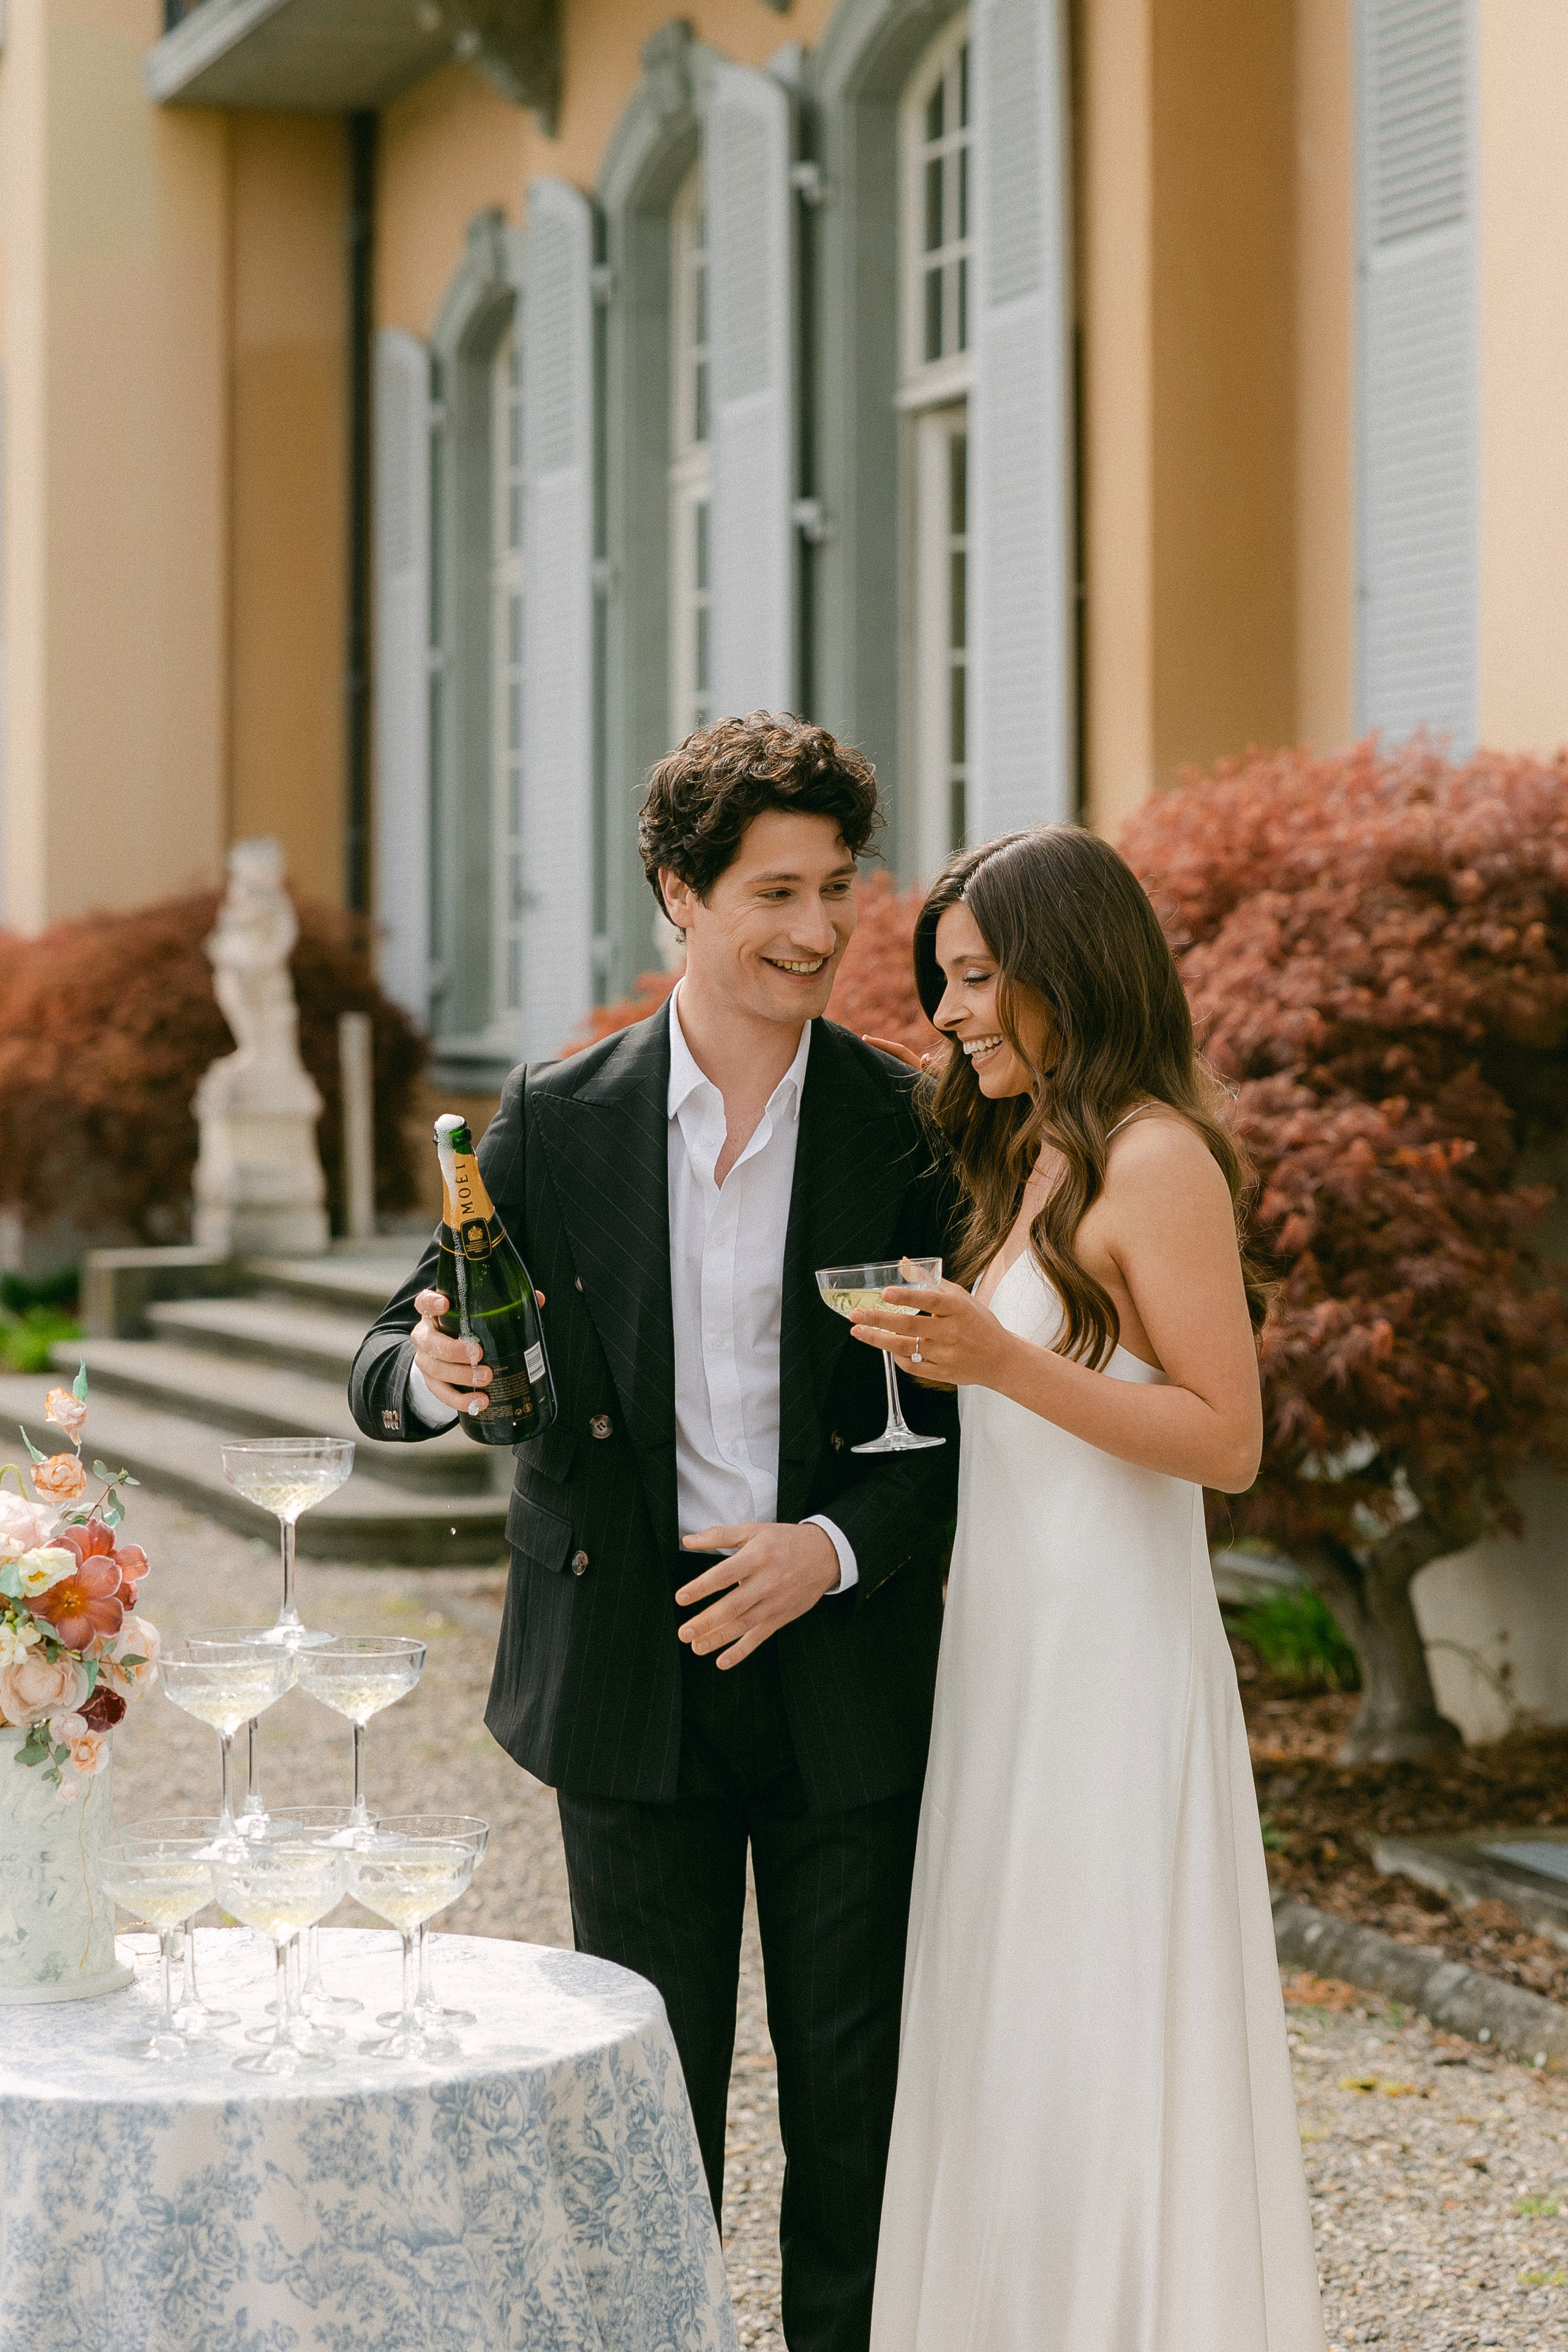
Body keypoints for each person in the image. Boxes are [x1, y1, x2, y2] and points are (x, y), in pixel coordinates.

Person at [348, 713, 958, 2352]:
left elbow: (959, 1426)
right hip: (629, 1673)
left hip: (847, 1662)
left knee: (860, 2108)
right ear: (679, 896)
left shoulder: (909, 1128)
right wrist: (429, 1363)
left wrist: (825, 1548)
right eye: (776, 891)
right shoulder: (553, 1119)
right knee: (641, 2120)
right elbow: (388, 1351)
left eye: (841, 888)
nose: (821, 931)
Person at [854, 827, 1325, 2351]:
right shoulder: (1033, 1150)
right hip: (1008, 1656)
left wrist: (996, 1359)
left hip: (1109, 1669)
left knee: (1103, 2018)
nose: (951, 1014)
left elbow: (1226, 1441)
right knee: (1017, 2031)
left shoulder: (1153, 1157)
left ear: (1071, 968)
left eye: (979, 980)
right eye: (943, 984)